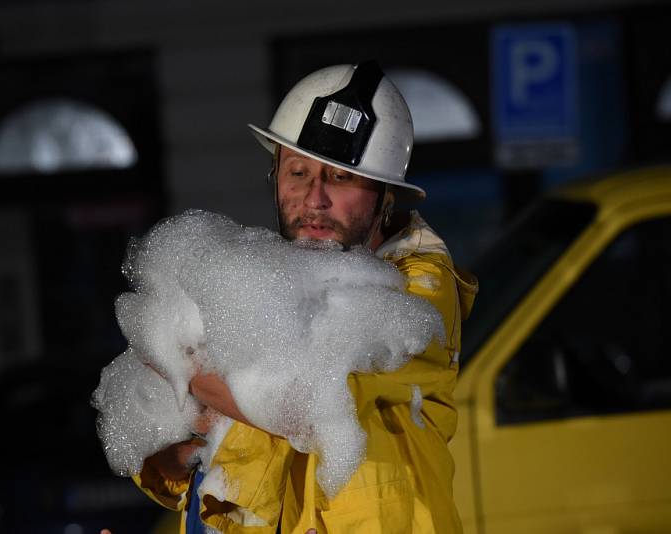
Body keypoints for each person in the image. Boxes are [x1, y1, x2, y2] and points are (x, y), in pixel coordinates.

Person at [133, 61, 478, 533]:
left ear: (385, 196)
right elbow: (205, 473)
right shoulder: (282, 281)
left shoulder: (418, 290)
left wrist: (180, 362)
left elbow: (306, 402)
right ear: (274, 174)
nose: (313, 199)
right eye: (298, 172)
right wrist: (187, 451)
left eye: (341, 178)